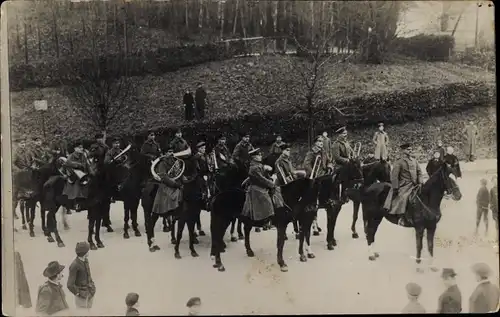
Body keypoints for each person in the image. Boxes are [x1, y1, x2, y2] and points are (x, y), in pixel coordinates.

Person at [148, 146, 183, 252]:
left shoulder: (176, 161)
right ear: (165, 153)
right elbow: (163, 176)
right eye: (168, 152)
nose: (171, 154)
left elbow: (179, 172)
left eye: (172, 152)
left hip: (175, 184)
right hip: (165, 187)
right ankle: (151, 239)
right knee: (159, 209)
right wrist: (175, 184)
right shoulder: (162, 163)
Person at [383, 143, 424, 218]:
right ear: (403, 151)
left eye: (411, 149)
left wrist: (420, 182)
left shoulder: (414, 161)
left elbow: (419, 172)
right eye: (408, 149)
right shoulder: (399, 162)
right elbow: (394, 176)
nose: (410, 151)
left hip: (416, 184)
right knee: (403, 198)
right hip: (404, 185)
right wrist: (395, 187)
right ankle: (402, 216)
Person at [241, 148, 276, 222]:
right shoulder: (254, 167)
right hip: (255, 187)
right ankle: (265, 219)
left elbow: (264, 174)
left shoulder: (259, 165)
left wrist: (270, 178)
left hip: (260, 185)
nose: (261, 156)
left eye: (260, 155)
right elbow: (261, 179)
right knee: (266, 198)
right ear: (254, 157)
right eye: (259, 155)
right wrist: (271, 184)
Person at [89, 133, 113, 230]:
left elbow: (108, 155)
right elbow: (92, 155)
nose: (100, 140)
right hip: (96, 166)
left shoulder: (106, 146)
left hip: (105, 167)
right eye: (98, 138)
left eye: (101, 138)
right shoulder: (94, 146)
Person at [67, 242, 96, 310]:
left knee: (89, 310)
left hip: (90, 292)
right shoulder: (74, 265)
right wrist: (78, 293)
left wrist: (92, 286)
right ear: (84, 253)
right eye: (87, 250)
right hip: (81, 295)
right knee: (82, 312)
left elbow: (89, 275)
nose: (89, 251)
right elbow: (70, 284)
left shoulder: (86, 260)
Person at [62, 142, 90, 211]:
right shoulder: (71, 156)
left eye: (82, 147)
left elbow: (86, 164)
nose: (81, 149)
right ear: (75, 148)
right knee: (76, 187)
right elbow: (68, 164)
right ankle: (75, 204)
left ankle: (84, 203)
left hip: (82, 173)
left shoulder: (83, 155)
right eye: (79, 147)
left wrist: (88, 171)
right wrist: (77, 165)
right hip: (73, 175)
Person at [331, 126, 351, 202]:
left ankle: (348, 194)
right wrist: (347, 160)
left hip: (347, 163)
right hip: (339, 165)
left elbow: (350, 152)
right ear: (339, 135)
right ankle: (337, 195)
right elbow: (337, 157)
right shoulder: (336, 144)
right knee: (339, 178)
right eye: (343, 134)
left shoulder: (346, 142)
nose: (345, 135)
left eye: (346, 133)